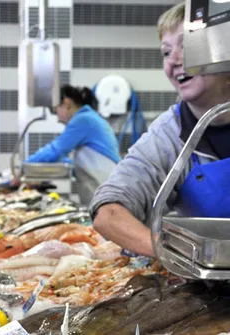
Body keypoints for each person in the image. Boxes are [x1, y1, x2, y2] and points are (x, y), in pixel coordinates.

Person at [89, 2, 230, 257]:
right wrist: (181, 260)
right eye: (166, 52)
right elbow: (108, 212)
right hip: (211, 288)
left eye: (188, 47)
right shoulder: (167, 135)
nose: (174, 61)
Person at [24, 84, 119, 205]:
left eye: (56, 110)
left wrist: (25, 167)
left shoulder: (84, 120)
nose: (57, 117)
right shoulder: (89, 118)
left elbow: (55, 150)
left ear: (67, 103)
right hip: (101, 187)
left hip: (103, 187)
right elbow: (82, 159)